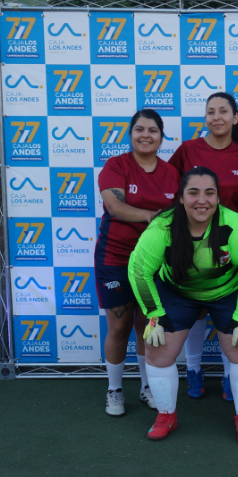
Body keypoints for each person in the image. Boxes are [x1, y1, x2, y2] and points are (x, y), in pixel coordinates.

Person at [128, 167, 238, 444]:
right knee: (157, 346)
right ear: (180, 198)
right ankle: (166, 415)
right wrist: (154, 314)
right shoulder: (162, 227)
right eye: (193, 193)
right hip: (177, 291)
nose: (202, 200)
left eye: (209, 193)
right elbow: (139, 272)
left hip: (227, 291)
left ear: (218, 198)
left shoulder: (235, 226)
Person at [168, 92, 238, 401]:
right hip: (190, 243)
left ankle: (229, 375)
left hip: (230, 246)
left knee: (228, 311)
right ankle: (193, 370)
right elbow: (168, 187)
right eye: (211, 111)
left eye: (223, 111)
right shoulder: (188, 150)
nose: (216, 117)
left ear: (235, 118)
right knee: (195, 311)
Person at [95, 109, 180, 417]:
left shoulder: (171, 173)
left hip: (153, 263)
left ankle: (147, 386)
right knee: (119, 326)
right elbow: (114, 207)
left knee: (148, 325)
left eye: (153, 130)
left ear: (161, 136)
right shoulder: (117, 165)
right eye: (140, 129)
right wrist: (150, 216)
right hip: (115, 257)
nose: (146, 135)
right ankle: (114, 390)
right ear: (130, 134)